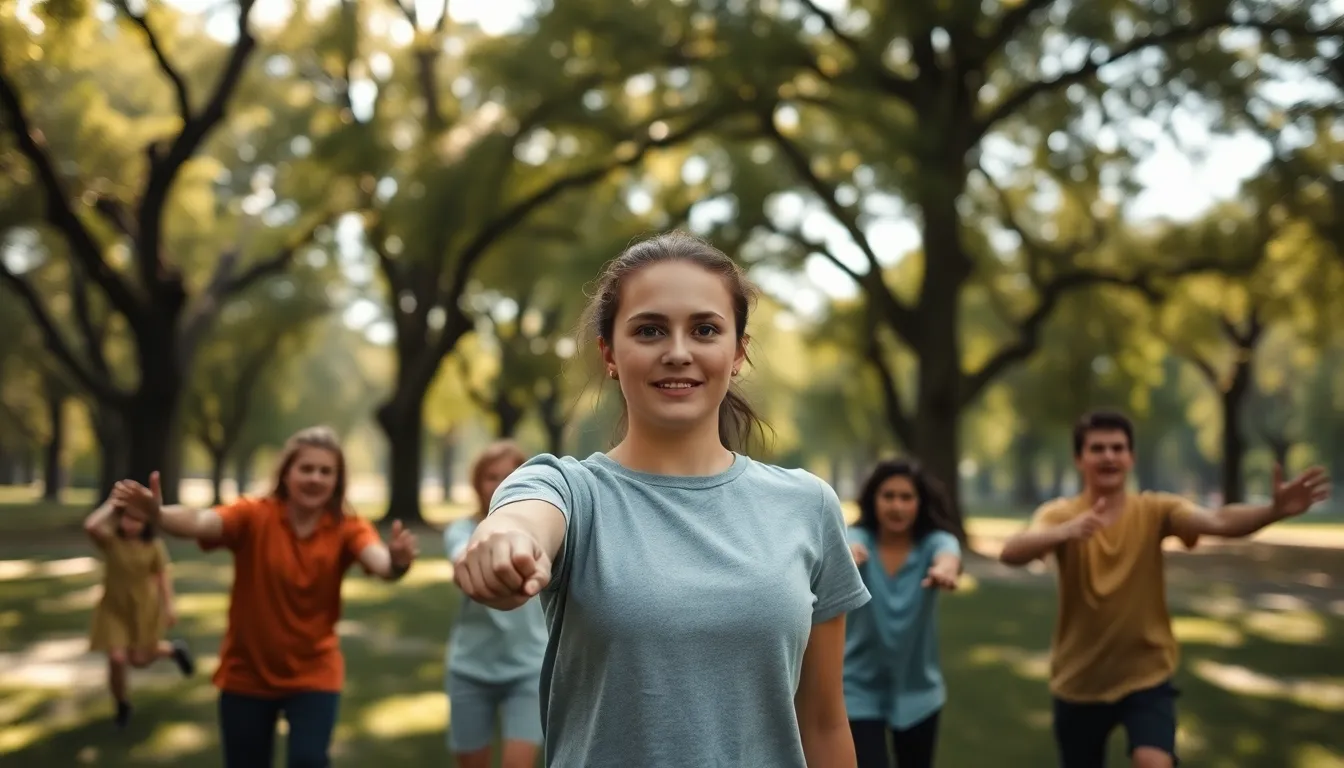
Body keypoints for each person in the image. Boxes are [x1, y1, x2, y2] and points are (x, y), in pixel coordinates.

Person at [451, 231, 871, 768]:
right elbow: (521, 519)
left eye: (705, 330)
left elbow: (824, 723)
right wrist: (503, 543)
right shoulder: (570, 490)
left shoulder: (808, 506)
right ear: (608, 352)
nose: (677, 352)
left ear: (738, 352)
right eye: (649, 330)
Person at [999, 410, 1331, 768]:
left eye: (1118, 448)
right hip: (1079, 680)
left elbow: (1217, 520)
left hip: (1146, 673)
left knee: (1152, 760)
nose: (1109, 456)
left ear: (1131, 457)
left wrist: (1272, 511)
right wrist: (1064, 532)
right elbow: (1011, 553)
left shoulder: (1154, 509)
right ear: (1080, 459)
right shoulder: (1060, 515)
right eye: (1097, 448)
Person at [112, 426, 420, 768]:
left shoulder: (347, 527)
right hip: (247, 672)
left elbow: (381, 563)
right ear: (286, 473)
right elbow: (201, 521)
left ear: (337, 481)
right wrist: (158, 514)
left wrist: (398, 562)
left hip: (314, 670)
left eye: (326, 471)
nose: (315, 478)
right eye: (306, 468)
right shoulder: (254, 514)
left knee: (309, 760)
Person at [844, 458, 965, 768]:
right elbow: (849, 544)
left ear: (919, 503)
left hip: (919, 692)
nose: (897, 506)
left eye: (906, 497)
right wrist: (848, 556)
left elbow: (948, 555)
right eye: (888, 496)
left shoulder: (934, 543)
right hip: (857, 689)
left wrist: (945, 570)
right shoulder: (859, 540)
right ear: (873, 500)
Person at [443, 440, 547, 768]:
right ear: (477, 484)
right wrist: (479, 567)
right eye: (491, 476)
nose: (502, 483)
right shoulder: (462, 530)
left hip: (529, 668)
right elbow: (462, 562)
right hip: (471, 668)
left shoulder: (543, 531)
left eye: (511, 474)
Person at [84, 497, 196, 729]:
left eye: (137, 520)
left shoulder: (153, 546)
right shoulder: (111, 541)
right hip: (114, 607)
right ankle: (121, 703)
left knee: (139, 659)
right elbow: (91, 526)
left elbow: (162, 577)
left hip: (144, 608)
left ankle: (173, 650)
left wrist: (169, 605)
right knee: (117, 659)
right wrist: (113, 503)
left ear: (146, 523)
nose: (130, 524)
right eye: (126, 518)